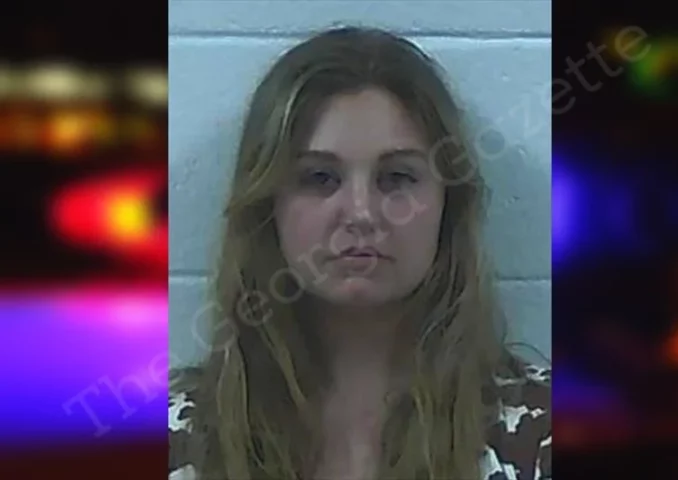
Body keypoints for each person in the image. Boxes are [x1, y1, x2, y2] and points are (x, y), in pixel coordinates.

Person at [169, 25, 551, 480]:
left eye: (397, 178)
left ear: (448, 205)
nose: (362, 213)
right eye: (320, 178)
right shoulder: (174, 432)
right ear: (266, 205)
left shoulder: (544, 429)